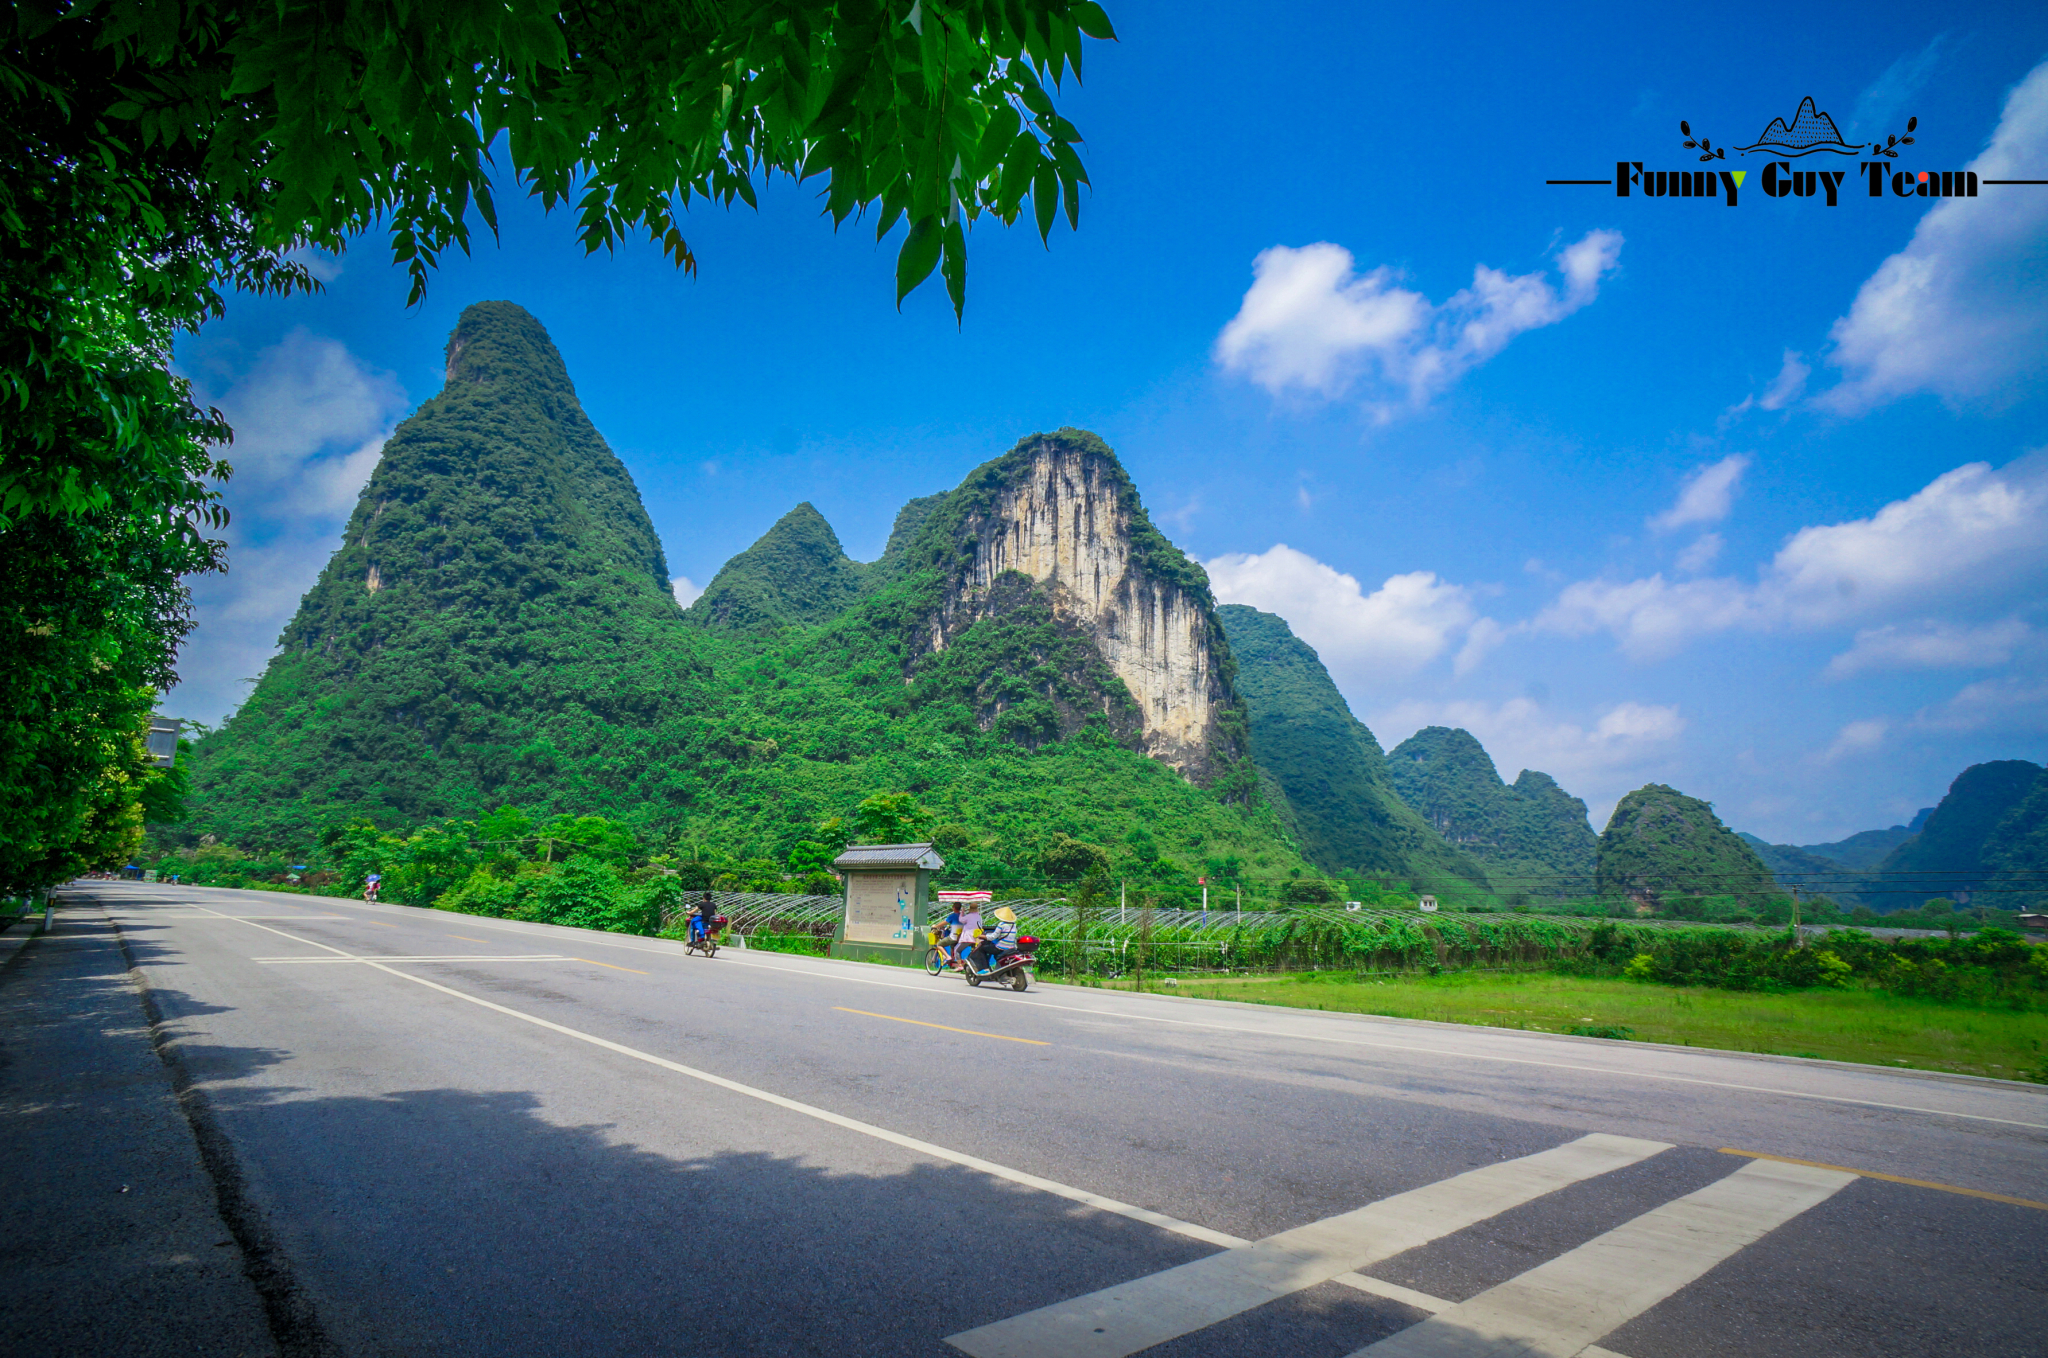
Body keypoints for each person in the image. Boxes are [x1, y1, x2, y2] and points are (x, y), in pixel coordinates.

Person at [969, 906, 1020, 974]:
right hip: (1011, 948)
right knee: (994, 950)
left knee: (982, 949)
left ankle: (986, 969)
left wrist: (981, 936)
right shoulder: (1014, 925)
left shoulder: (1001, 924)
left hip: (1001, 948)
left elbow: (992, 937)